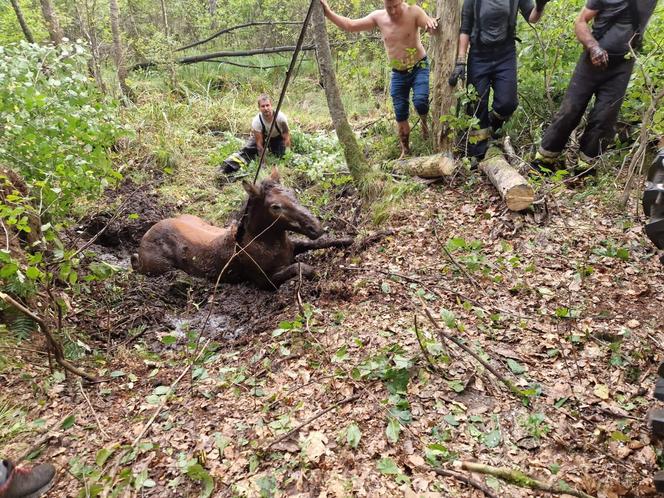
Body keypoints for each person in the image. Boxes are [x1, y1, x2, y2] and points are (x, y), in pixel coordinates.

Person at [535, 0, 657, 175]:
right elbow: (580, 21)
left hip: (622, 65)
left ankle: (585, 167)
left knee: (605, 117)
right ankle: (544, 160)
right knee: (571, 110)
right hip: (591, 60)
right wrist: (593, 47)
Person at [319, 0, 438, 159]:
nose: (393, 11)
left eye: (396, 6)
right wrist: (328, 13)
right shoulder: (378, 17)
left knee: (420, 101)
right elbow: (350, 25)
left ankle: (425, 126)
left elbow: (428, 24)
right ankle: (406, 150)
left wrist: (430, 25)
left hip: (419, 66)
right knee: (400, 113)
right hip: (398, 72)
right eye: (389, 8)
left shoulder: (414, 12)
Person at [449, 0, 547, 161]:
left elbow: (532, 17)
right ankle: (477, 154)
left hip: (505, 53)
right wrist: (460, 61)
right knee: (476, 104)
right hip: (479, 54)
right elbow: (465, 29)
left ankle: (492, 127)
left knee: (507, 103)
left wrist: (541, 5)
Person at [218, 94, 291, 179]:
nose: (266, 108)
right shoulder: (257, 121)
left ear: (271, 106)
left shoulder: (281, 117)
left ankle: (272, 150)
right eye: (263, 106)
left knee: (281, 155)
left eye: (267, 105)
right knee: (248, 150)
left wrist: (288, 152)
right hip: (262, 136)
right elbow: (259, 145)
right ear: (259, 108)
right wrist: (262, 163)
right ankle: (226, 167)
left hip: (277, 137)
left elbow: (286, 135)